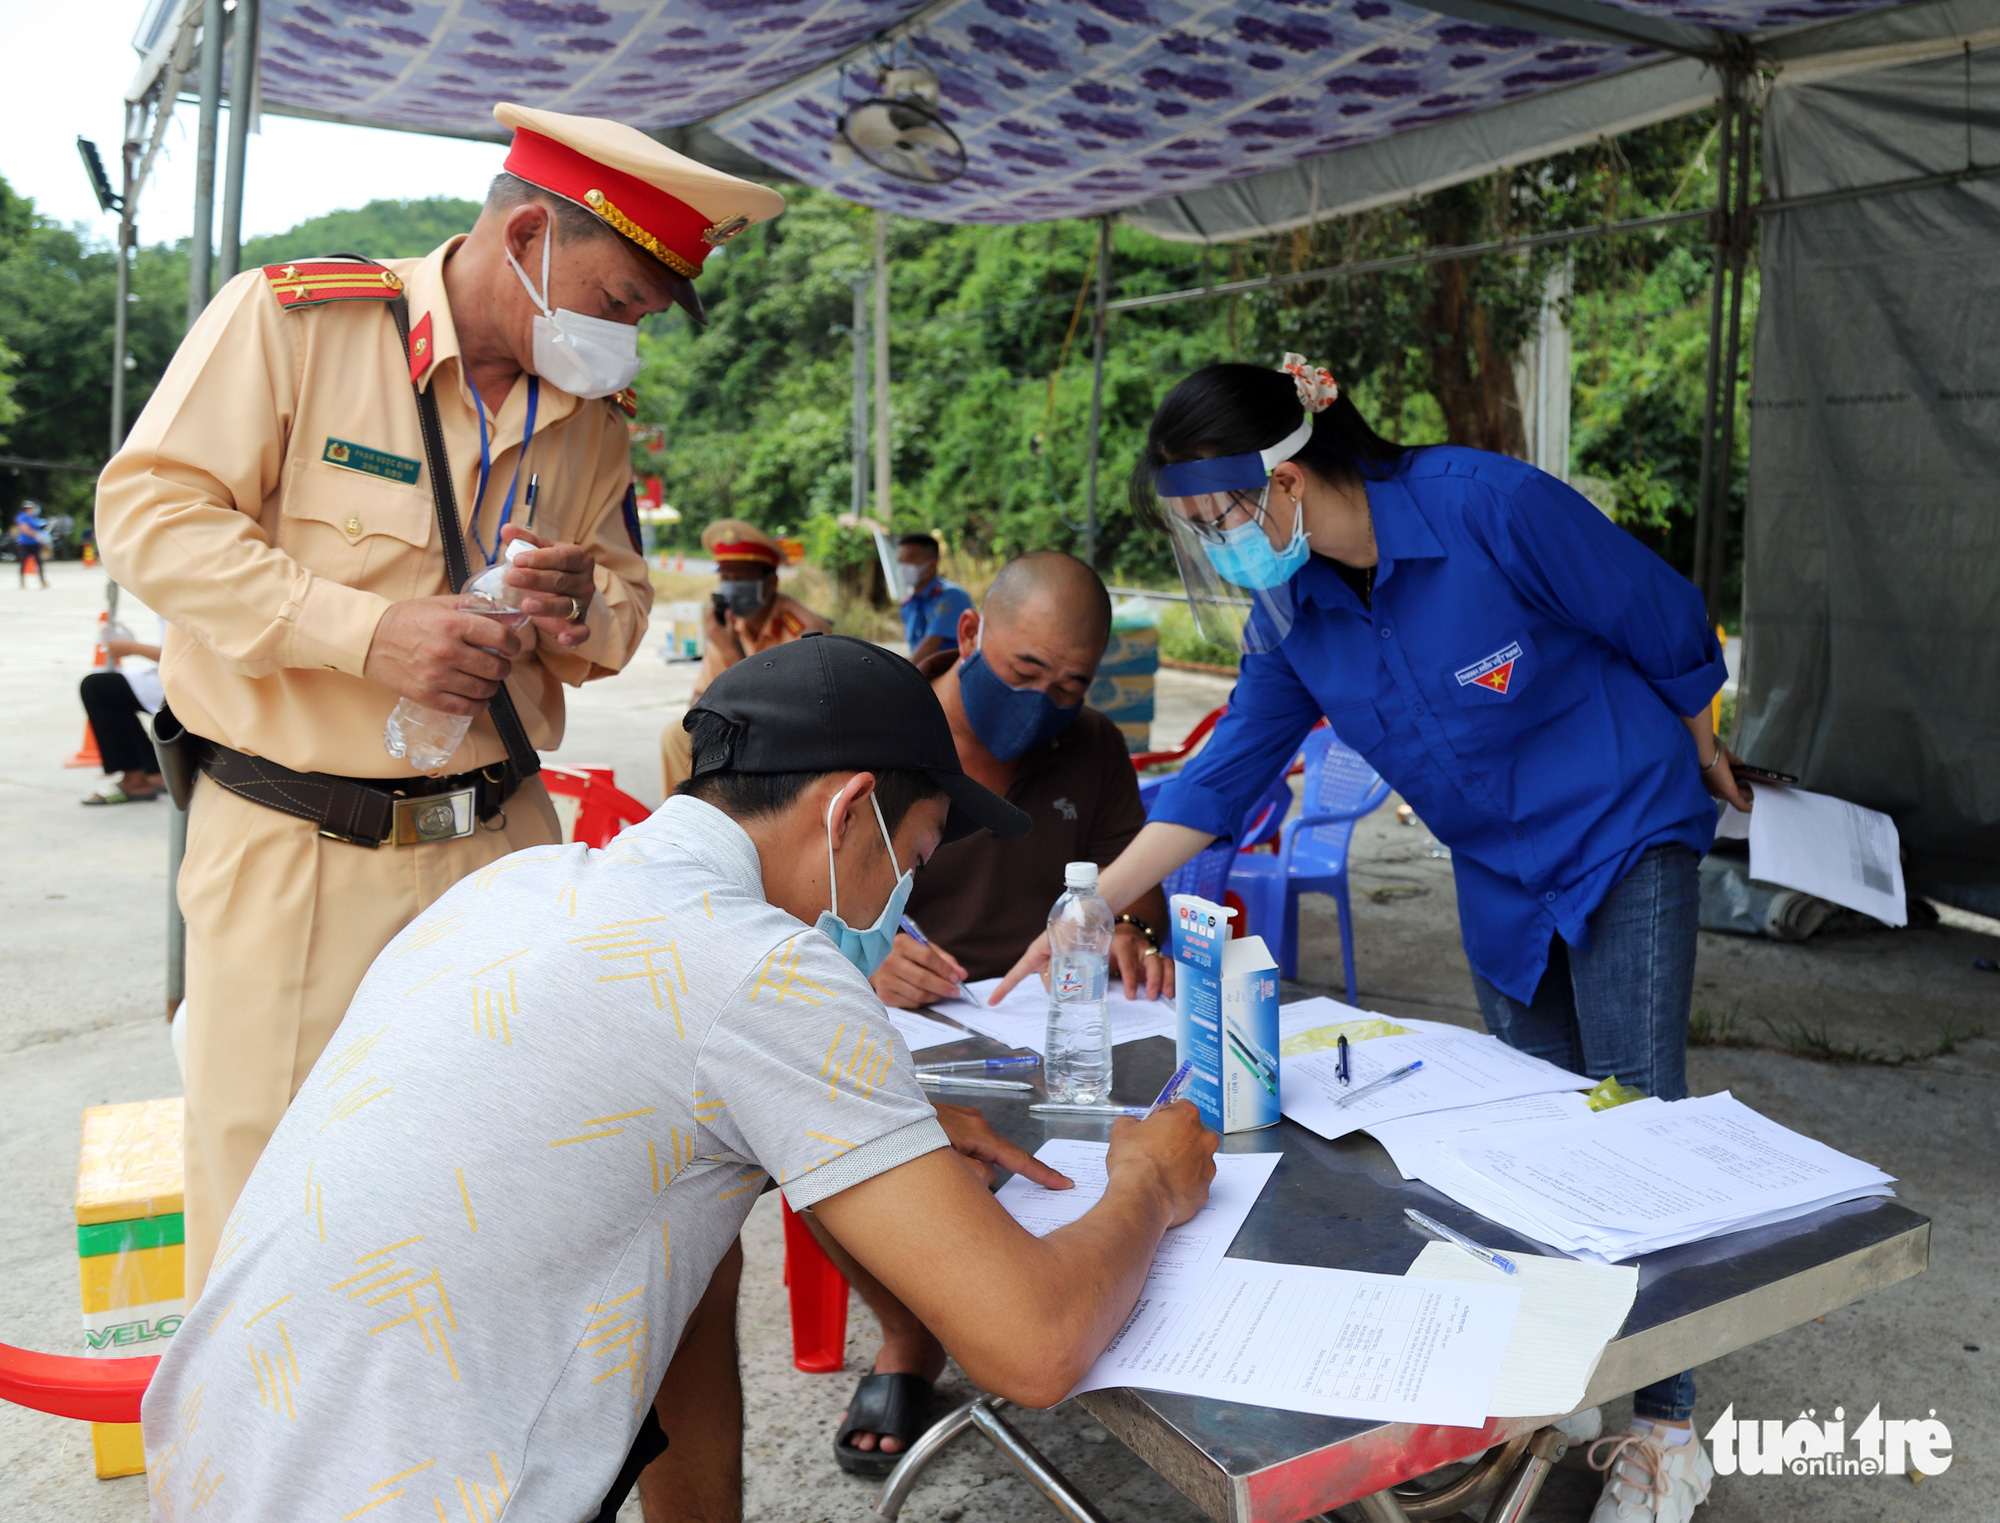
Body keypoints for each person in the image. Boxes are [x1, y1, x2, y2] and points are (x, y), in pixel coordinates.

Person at [138, 633, 1217, 1523]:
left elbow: (666, 1241)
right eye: (916, 857)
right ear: (848, 814)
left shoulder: (518, 885)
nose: (903, 896)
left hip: (222, 1467)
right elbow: (1030, 1345)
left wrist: (888, 1120)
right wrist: (1148, 1185)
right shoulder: (764, 967)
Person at [996, 355, 1751, 1523]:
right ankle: (1575, 1369)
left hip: (1621, 823)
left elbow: (1656, 616)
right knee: (1535, 1120)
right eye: (1196, 527)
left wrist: (1698, 732)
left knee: (1633, 1115)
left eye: (1222, 516)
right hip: (1498, 866)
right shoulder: (1292, 614)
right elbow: (1218, 780)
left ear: (1287, 476)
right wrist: (1089, 902)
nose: (1221, 544)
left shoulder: (1484, 507)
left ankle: (1663, 1425)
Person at [96, 101, 784, 1301]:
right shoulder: (295, 323)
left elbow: (620, 599)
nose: (626, 338)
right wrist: (363, 632)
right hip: (297, 846)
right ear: (527, 235)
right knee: (270, 1216)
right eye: (618, 301)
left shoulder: (588, 420)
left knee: (488, 1189)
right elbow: (150, 516)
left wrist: (581, 608)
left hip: (499, 847)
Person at [817, 550, 1172, 1472]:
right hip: (905, 1023)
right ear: (970, 633)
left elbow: (1136, 894)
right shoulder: (875, 729)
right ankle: (909, 1336)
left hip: (1054, 1023)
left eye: (1070, 683)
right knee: (822, 1129)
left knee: (1162, 1133)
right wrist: (865, 950)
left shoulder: (1088, 744)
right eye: (1024, 671)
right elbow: (790, 902)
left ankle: (1109, 1316)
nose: (1044, 700)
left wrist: (1129, 927)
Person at [659, 516, 831, 793]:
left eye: (741, 579)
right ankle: (682, 827)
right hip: (739, 737)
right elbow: (699, 701)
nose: (730, 587)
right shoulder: (729, 626)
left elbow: (784, 717)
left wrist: (730, 653)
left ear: (771, 582)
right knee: (676, 736)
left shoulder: (803, 630)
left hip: (790, 750)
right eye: (726, 578)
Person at [78, 619, 168, 804]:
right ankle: (154, 771)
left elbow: (188, 655)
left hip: (191, 681)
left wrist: (133, 648)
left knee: (97, 688)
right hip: (174, 674)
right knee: (105, 688)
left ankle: (136, 780)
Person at [894, 530, 973, 663]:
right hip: (924, 673)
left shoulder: (951, 596)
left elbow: (930, 646)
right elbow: (915, 650)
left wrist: (902, 676)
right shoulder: (907, 605)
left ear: (931, 564)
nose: (903, 567)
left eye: (910, 559)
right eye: (900, 561)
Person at [14, 500, 51, 588]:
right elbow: (24, 528)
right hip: (24, 543)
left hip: (35, 543)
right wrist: (36, 535)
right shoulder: (22, 517)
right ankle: (22, 582)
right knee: (23, 562)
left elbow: (40, 527)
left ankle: (43, 581)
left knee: (39, 562)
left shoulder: (35, 518)